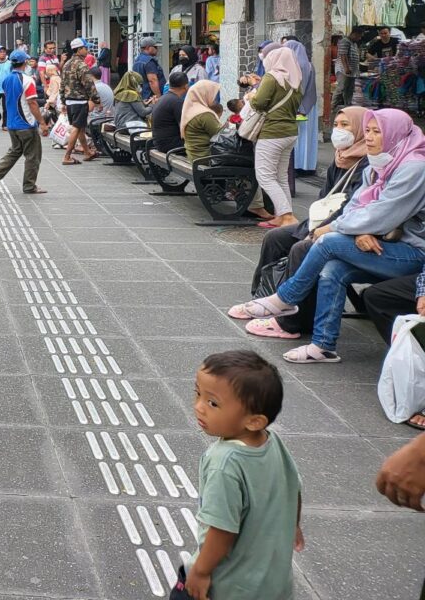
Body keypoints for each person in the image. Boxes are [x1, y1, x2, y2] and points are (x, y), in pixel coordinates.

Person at [229, 108, 425, 363]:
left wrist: (337, 228)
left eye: (378, 132)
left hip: (414, 253)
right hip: (385, 244)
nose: (369, 137)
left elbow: (383, 212)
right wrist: (357, 229)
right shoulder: (379, 164)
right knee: (333, 268)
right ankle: (323, 345)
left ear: (396, 135)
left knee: (328, 241)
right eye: (367, 130)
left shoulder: (413, 167)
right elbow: (357, 206)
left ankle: (285, 298)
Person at [178, 351, 301, 600]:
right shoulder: (271, 441)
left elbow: (223, 531)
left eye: (213, 403)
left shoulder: (223, 462)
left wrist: (201, 572)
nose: (198, 407)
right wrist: (293, 526)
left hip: (227, 585)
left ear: (254, 421)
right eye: (198, 393)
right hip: (271, 585)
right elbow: (294, 487)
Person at [243, 107, 369, 341]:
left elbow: (353, 208)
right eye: (337, 124)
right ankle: (264, 298)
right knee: (276, 237)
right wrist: (312, 226)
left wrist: (319, 230)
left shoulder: (367, 165)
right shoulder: (341, 158)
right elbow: (323, 199)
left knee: (301, 247)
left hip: (347, 228)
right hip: (325, 222)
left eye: (346, 125)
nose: (338, 131)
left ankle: (292, 320)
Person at [246, 46, 303, 227]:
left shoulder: (272, 77)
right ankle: (283, 215)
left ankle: (286, 216)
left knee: (264, 176)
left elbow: (260, 103)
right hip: (290, 132)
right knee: (280, 176)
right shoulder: (296, 81)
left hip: (272, 132)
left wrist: (250, 97)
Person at [0, 50, 48, 194]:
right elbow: (32, 103)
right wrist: (42, 123)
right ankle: (29, 185)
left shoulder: (7, 79)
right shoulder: (27, 80)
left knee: (15, 152)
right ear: (25, 62)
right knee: (33, 156)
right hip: (25, 123)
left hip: (12, 124)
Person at [59, 38, 97, 165]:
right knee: (76, 127)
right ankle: (67, 156)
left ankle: (87, 152)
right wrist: (96, 99)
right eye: (86, 48)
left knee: (80, 127)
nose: (87, 50)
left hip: (70, 101)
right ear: (79, 49)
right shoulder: (82, 65)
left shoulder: (67, 64)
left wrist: (63, 101)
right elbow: (89, 84)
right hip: (80, 101)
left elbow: (62, 84)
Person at [284, 39, 319, 174]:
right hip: (309, 106)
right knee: (308, 138)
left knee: (297, 138)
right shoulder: (309, 65)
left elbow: (299, 88)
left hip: (298, 106)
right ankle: (308, 166)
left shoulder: (295, 66)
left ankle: (297, 166)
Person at [181, 80, 224, 162]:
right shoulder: (204, 114)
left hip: (193, 155)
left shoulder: (190, 108)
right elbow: (220, 136)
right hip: (205, 157)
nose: (214, 99)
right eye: (213, 94)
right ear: (205, 94)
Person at [150, 71, 189, 152]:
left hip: (159, 143)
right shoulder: (177, 102)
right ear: (186, 86)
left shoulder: (162, 98)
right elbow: (184, 128)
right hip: (170, 145)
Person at [335, 28, 363, 107]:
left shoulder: (354, 43)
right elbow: (343, 55)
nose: (359, 38)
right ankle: (332, 107)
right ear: (354, 34)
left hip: (351, 72)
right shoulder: (345, 41)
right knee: (341, 88)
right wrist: (346, 68)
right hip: (343, 70)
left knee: (349, 90)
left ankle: (348, 106)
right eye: (359, 36)